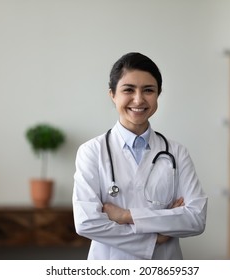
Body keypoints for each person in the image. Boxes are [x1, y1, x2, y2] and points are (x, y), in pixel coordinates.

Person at [72, 52, 208, 260]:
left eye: (148, 90)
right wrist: (156, 236)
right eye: (128, 90)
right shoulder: (91, 152)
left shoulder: (176, 152)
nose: (138, 99)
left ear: (158, 94)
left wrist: (125, 216)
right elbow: (87, 223)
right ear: (112, 94)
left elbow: (195, 218)